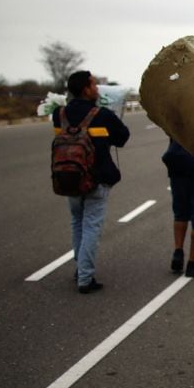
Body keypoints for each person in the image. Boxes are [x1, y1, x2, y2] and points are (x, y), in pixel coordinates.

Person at [52, 70, 131, 294]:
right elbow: (122, 138)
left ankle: (80, 268)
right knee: (91, 226)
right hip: (96, 180)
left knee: (77, 223)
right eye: (94, 85)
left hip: (68, 177)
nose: (97, 89)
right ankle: (85, 278)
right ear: (86, 89)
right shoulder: (102, 115)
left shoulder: (59, 114)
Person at [162, 138, 194, 277]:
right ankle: (192, 262)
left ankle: (178, 251)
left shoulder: (177, 116)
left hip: (177, 165)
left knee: (180, 213)